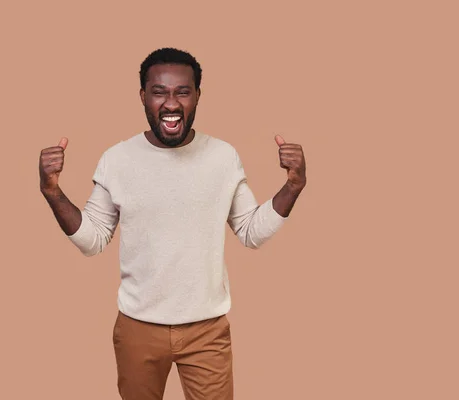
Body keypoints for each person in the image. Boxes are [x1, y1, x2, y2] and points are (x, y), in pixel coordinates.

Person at [39, 47, 306, 400]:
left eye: (182, 91)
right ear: (143, 97)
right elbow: (92, 240)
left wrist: (293, 186)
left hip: (206, 330)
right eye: (159, 92)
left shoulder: (222, 157)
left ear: (197, 96)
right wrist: (52, 191)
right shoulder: (117, 159)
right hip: (138, 328)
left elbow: (251, 232)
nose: (171, 103)